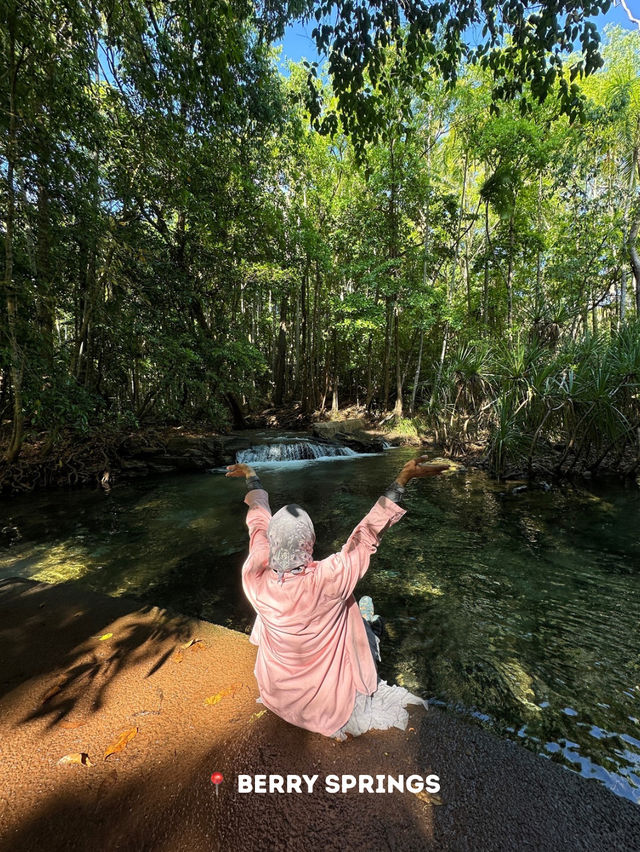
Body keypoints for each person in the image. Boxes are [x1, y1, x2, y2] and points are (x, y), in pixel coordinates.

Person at [225, 455, 449, 739]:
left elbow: (258, 522)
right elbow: (367, 533)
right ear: (310, 541)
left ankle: (368, 622)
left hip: (279, 694)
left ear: (273, 541)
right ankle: (369, 624)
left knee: (356, 611)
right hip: (326, 704)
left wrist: (252, 478)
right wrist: (403, 479)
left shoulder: (255, 573)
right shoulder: (329, 579)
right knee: (359, 612)